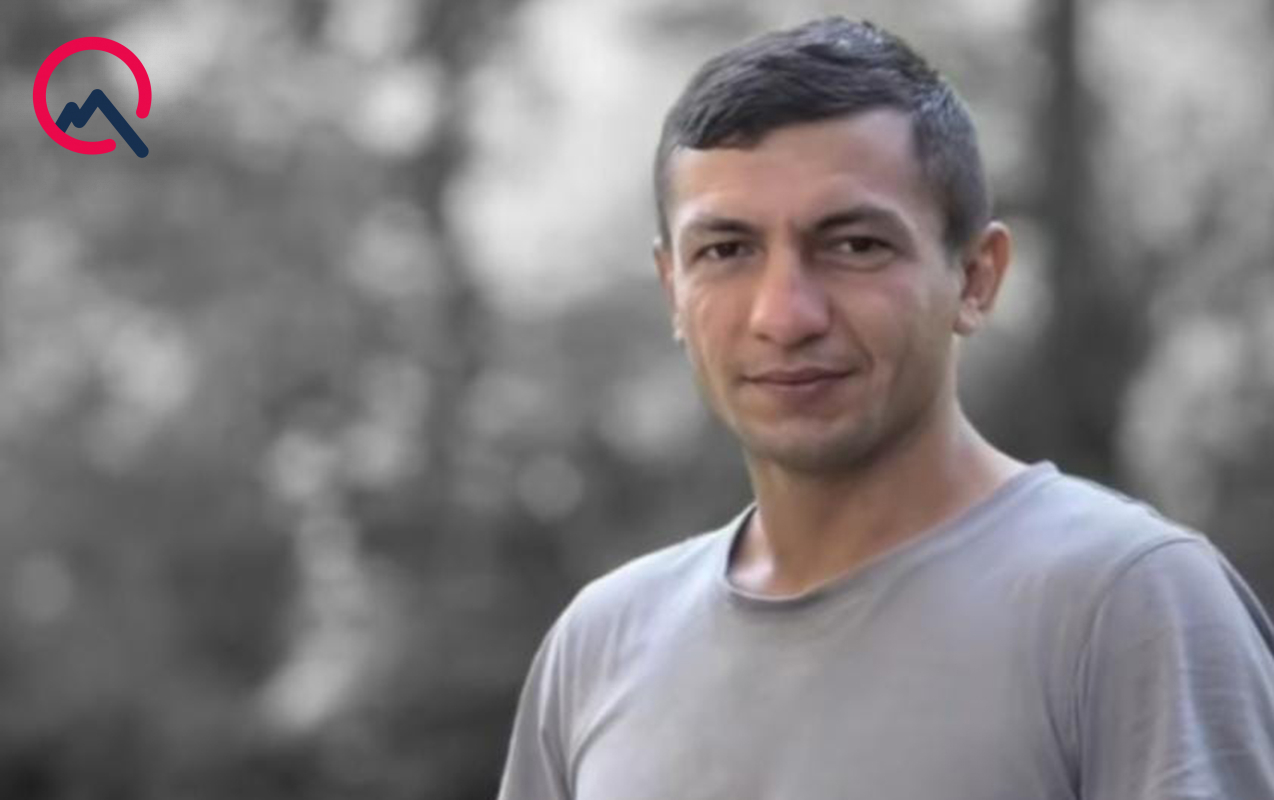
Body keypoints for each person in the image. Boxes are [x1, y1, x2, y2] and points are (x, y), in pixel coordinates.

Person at [496, 16, 1274, 800]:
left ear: (976, 278)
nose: (785, 316)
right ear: (672, 288)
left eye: (855, 245)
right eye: (726, 250)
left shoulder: (1128, 604)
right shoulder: (599, 645)